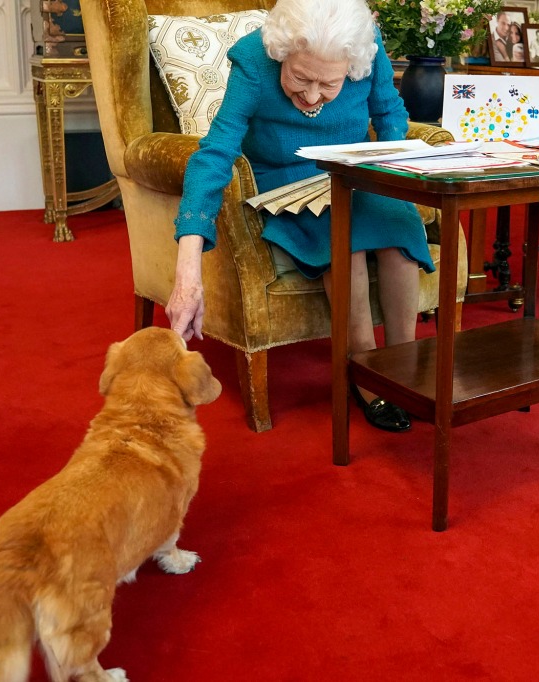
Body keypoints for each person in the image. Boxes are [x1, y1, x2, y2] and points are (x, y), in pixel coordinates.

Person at [169, 0, 431, 433]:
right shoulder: (254, 58)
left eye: (328, 83)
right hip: (285, 180)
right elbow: (215, 153)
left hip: (355, 171)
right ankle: (364, 370)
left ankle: (404, 365)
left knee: (398, 229)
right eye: (299, 78)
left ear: (351, 62)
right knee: (341, 238)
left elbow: (389, 114)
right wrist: (188, 262)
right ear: (281, 52)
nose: (311, 96)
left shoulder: (368, 46)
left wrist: (390, 168)